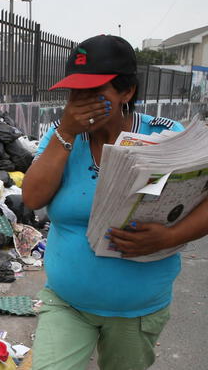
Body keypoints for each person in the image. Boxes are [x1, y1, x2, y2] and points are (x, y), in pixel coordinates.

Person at [23, 35, 208, 370]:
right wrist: (65, 132)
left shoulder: (166, 138)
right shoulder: (61, 137)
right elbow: (33, 197)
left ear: (127, 92)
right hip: (67, 302)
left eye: (95, 93)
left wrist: (170, 237)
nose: (81, 103)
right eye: (75, 92)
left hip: (135, 311)